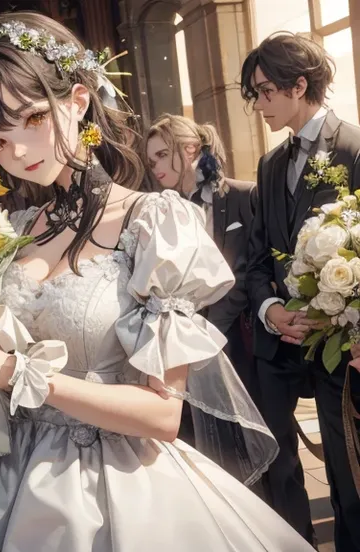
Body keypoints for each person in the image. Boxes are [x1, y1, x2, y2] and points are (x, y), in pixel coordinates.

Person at [0, 13, 312, 551]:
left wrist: (17, 372)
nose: (16, 151)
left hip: (120, 485)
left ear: (79, 101)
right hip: (1, 476)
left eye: (32, 117)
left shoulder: (153, 222)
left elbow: (162, 414)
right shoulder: (5, 233)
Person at [242, 32, 360, 549]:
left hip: (340, 345)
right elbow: (256, 256)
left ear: (300, 84)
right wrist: (270, 310)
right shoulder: (269, 167)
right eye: (254, 94)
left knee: (349, 475)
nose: (259, 105)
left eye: (264, 91)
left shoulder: (354, 147)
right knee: (277, 466)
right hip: (279, 346)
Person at [145, 116, 260, 481]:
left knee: (271, 461)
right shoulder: (161, 212)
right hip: (186, 356)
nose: (157, 167)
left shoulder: (244, 195)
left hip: (244, 350)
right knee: (205, 462)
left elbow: (247, 272)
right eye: (152, 161)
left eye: (163, 155)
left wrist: (208, 331)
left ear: (190, 148)